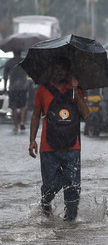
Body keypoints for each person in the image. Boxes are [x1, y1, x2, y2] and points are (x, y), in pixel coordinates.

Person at [28, 56, 90, 221]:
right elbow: (35, 116)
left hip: (72, 147)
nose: (59, 72)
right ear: (51, 70)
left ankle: (70, 222)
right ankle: (46, 204)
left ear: (68, 71)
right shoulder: (42, 90)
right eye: (56, 68)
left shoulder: (75, 89)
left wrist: (76, 91)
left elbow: (85, 114)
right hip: (48, 148)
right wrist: (32, 140)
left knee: (73, 187)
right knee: (50, 187)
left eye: (62, 69)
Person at [3, 50, 31, 132]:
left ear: (13, 53)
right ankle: (22, 122)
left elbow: (5, 76)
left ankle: (16, 126)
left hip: (13, 88)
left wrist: (5, 88)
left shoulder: (9, 63)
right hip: (23, 87)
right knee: (23, 105)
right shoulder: (25, 61)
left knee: (13, 106)